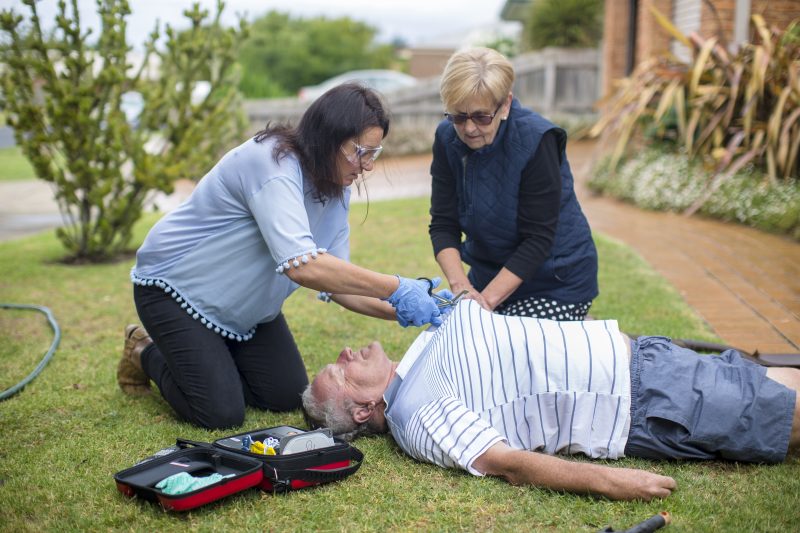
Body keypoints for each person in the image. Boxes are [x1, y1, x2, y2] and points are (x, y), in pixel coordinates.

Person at [117, 83, 449, 430]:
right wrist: (396, 286)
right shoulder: (272, 163)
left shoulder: (335, 192)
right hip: (176, 288)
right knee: (219, 412)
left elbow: (339, 285)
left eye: (374, 153)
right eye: (360, 152)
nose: (366, 166)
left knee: (283, 395)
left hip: (244, 307)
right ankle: (143, 350)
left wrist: (409, 310)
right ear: (328, 137)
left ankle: (209, 356)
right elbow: (302, 266)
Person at [302, 300, 800, 501]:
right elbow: (506, 463)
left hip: (643, 355)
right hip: (644, 400)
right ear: (364, 410)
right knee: (785, 412)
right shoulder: (418, 413)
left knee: (772, 380)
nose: (345, 353)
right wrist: (610, 482)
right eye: (338, 369)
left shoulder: (418, 350)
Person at [429, 47, 598, 319]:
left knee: (506, 352)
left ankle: (579, 328)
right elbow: (443, 223)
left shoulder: (537, 139)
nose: (469, 128)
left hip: (554, 281)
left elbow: (538, 239)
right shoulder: (447, 137)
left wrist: (484, 304)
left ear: (505, 104)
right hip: (488, 274)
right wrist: (463, 289)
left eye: (482, 117)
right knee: (452, 344)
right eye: (459, 116)